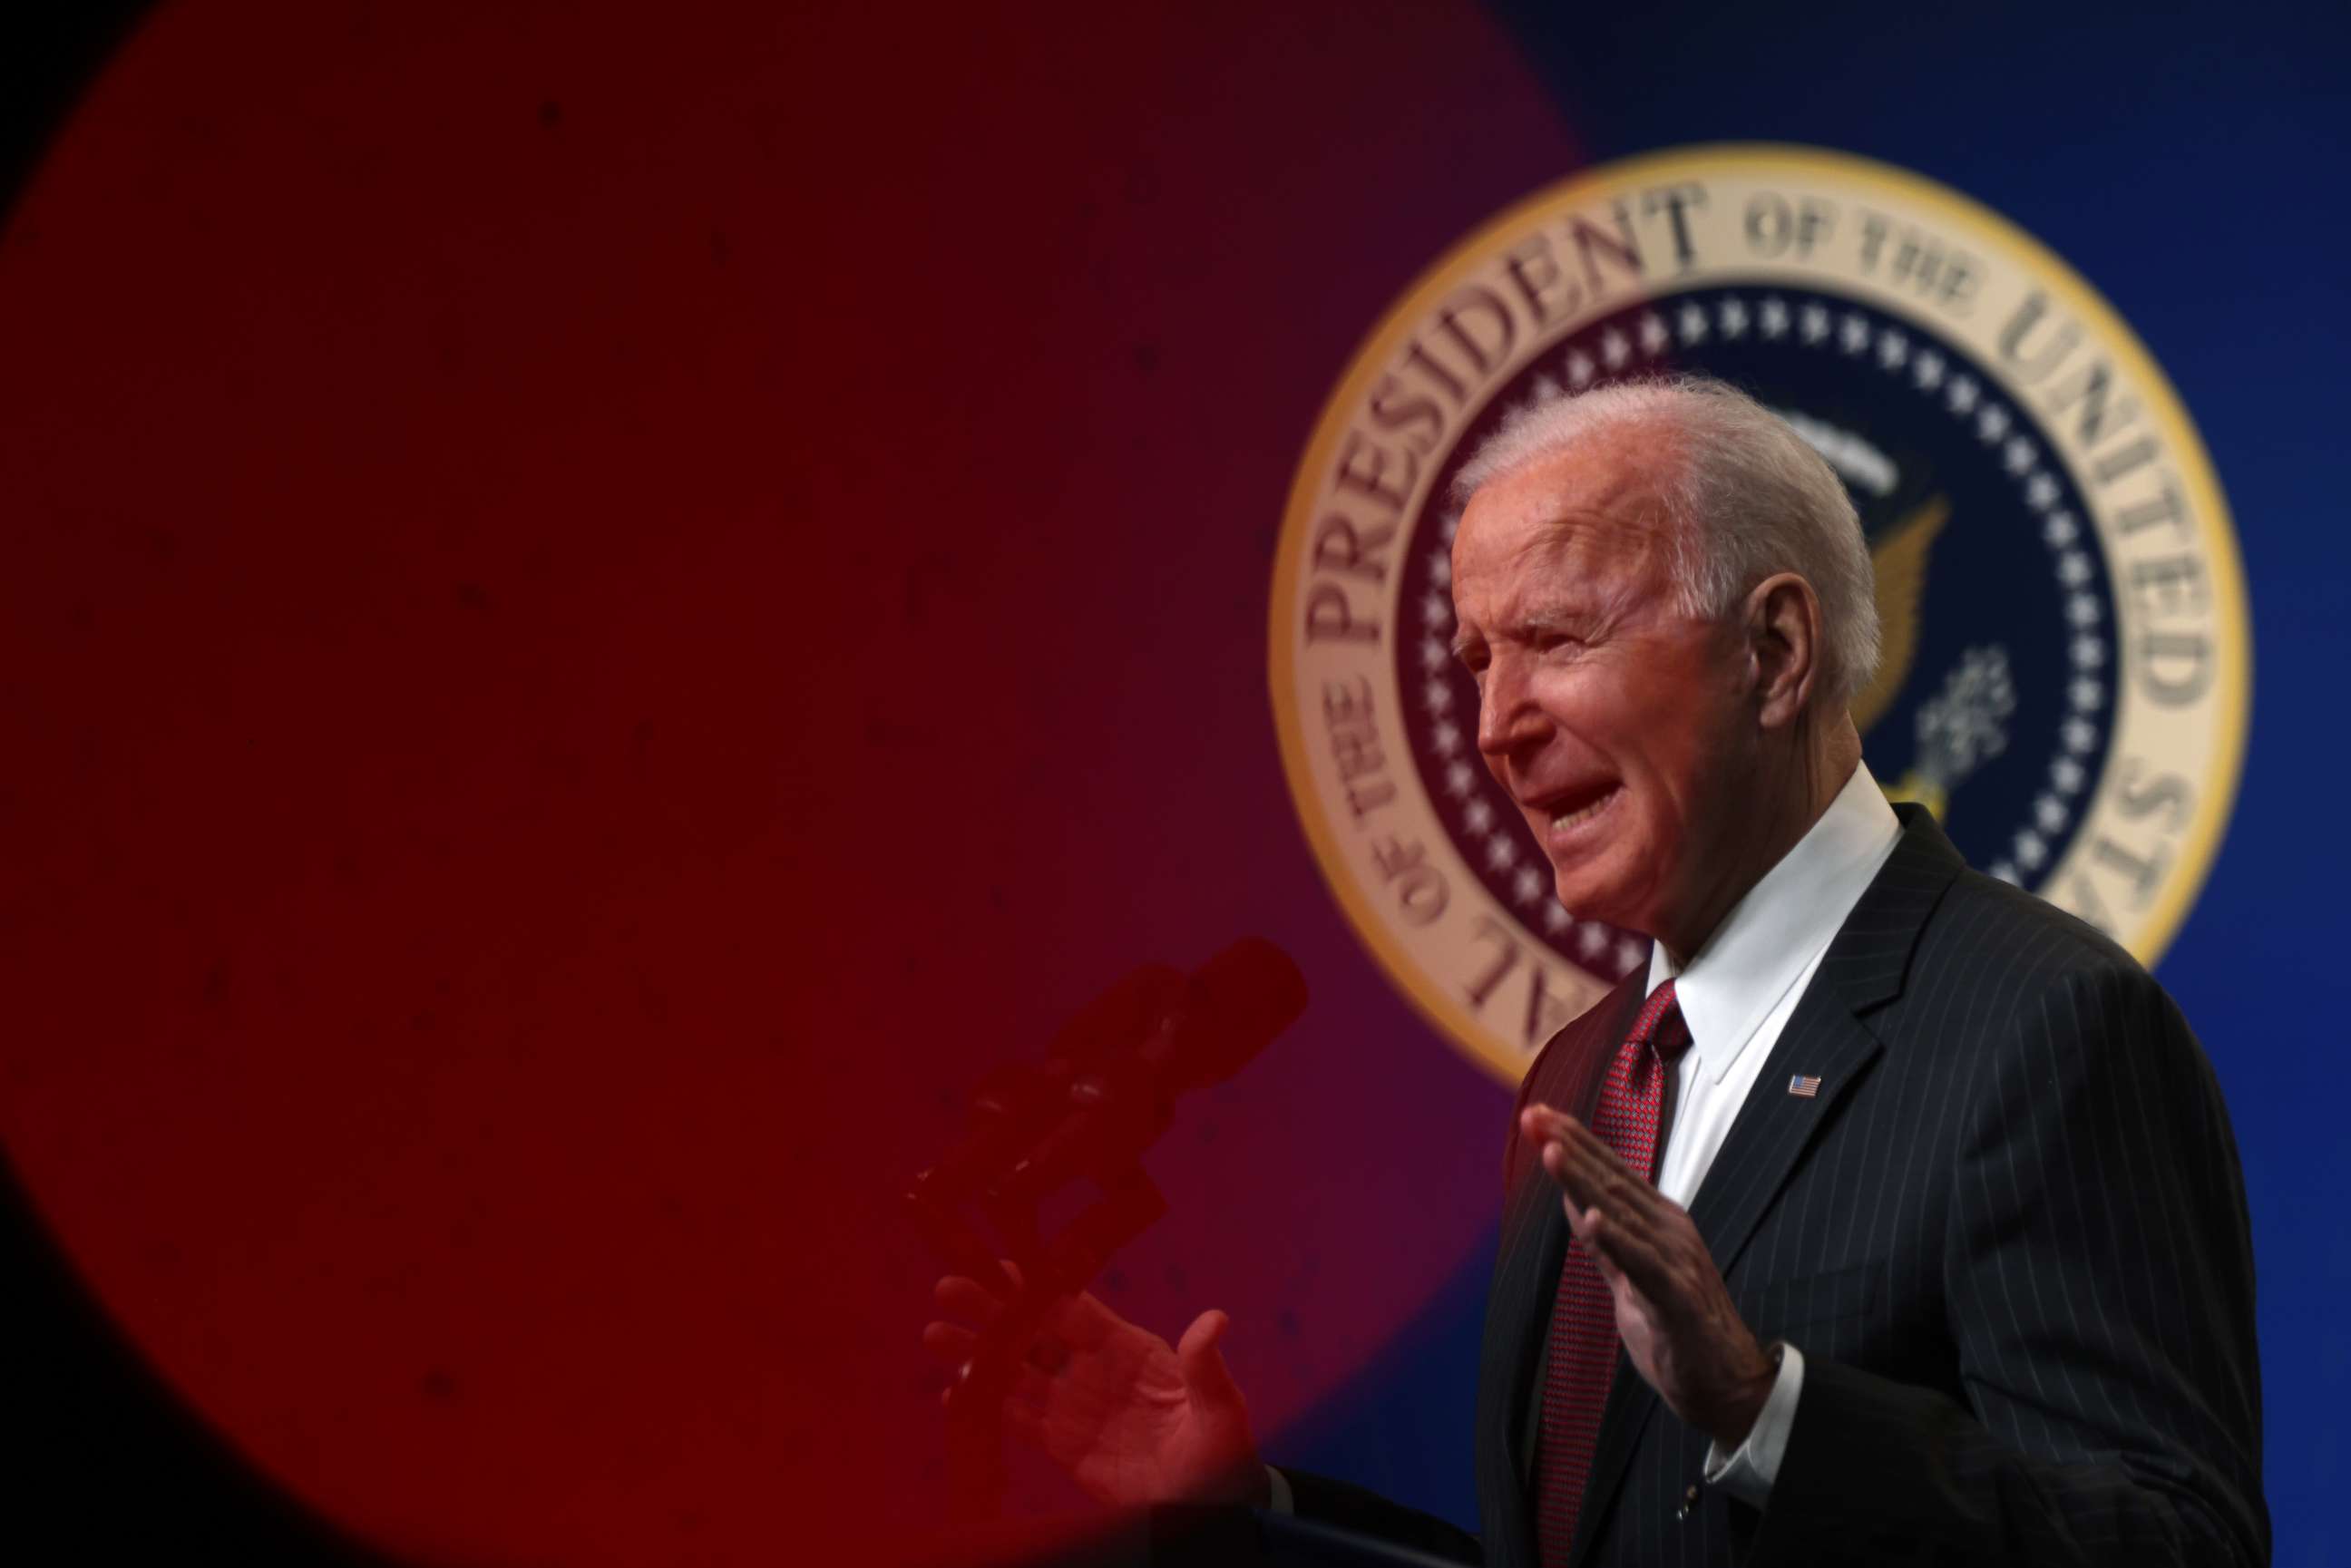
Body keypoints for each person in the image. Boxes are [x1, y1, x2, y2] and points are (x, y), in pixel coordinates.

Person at [923, 375, 2268, 1566]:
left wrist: (1767, 1409)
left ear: (1776, 653)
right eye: (1475, 659)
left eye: (1557, 640)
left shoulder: (2041, 1024)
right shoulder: (1587, 1073)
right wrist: (1241, 1510)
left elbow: (2175, 1541)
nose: (1497, 724)